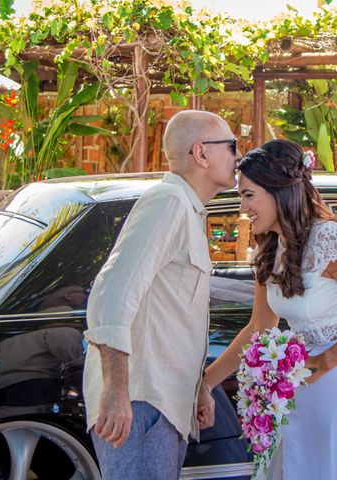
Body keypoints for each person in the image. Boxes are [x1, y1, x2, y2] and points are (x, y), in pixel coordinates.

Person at [203, 139, 337, 479]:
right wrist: (208, 381)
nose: (243, 208)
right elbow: (260, 326)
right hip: (300, 382)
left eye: (248, 195)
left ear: (279, 193)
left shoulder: (330, 238)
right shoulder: (271, 247)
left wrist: (324, 361)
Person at [83, 110, 241, 480]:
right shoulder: (169, 202)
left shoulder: (187, 208)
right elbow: (111, 293)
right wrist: (117, 391)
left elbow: (175, 302)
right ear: (201, 154)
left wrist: (198, 387)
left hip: (161, 404)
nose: (238, 156)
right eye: (232, 146)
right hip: (141, 403)